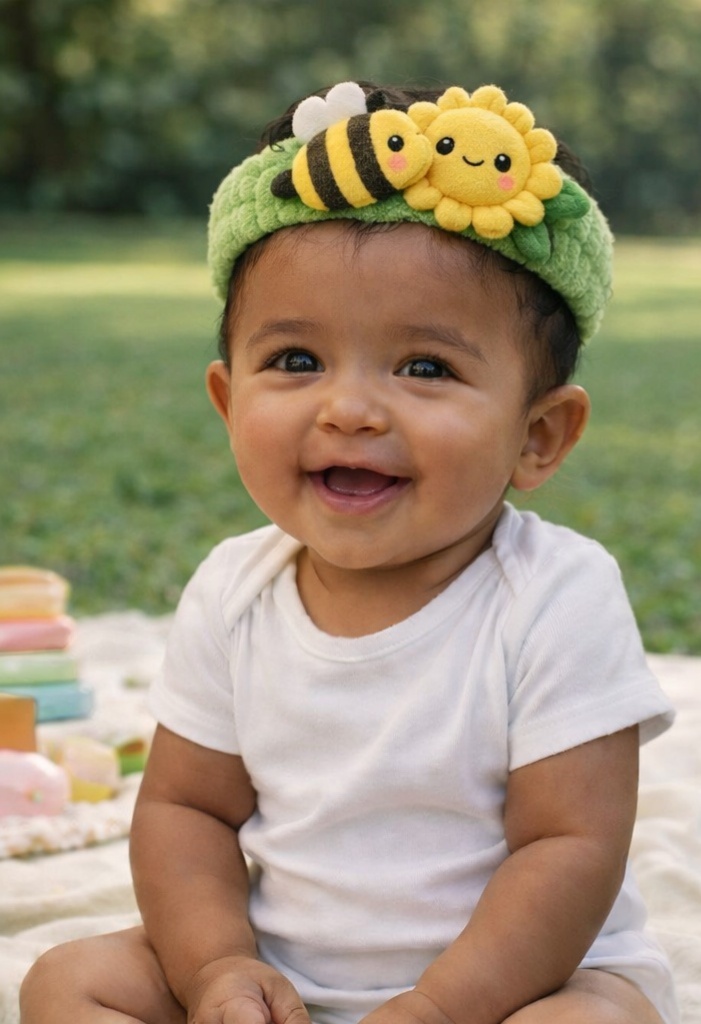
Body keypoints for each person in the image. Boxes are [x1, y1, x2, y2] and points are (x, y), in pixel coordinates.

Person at [20, 81, 678, 1024]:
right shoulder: (232, 592)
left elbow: (568, 847)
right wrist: (215, 967)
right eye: (295, 360)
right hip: (283, 970)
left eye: (425, 368)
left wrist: (439, 1008)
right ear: (226, 400)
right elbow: (185, 811)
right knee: (66, 982)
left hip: (514, 983)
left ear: (538, 436)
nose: (350, 409)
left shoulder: (554, 596)